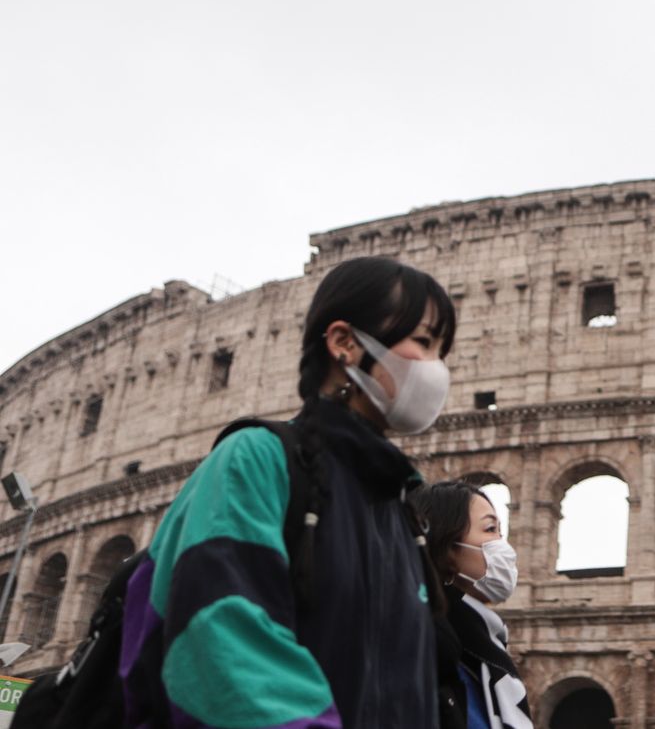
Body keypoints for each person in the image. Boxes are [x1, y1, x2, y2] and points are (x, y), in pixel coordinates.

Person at [119, 256, 457, 729]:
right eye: (423, 342)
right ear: (343, 343)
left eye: (443, 352)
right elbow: (222, 648)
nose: (437, 369)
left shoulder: (398, 509)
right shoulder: (255, 459)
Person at [412, 481, 533, 729]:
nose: (504, 546)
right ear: (446, 548)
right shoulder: (423, 651)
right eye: (490, 529)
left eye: (501, 532)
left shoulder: (485, 649)